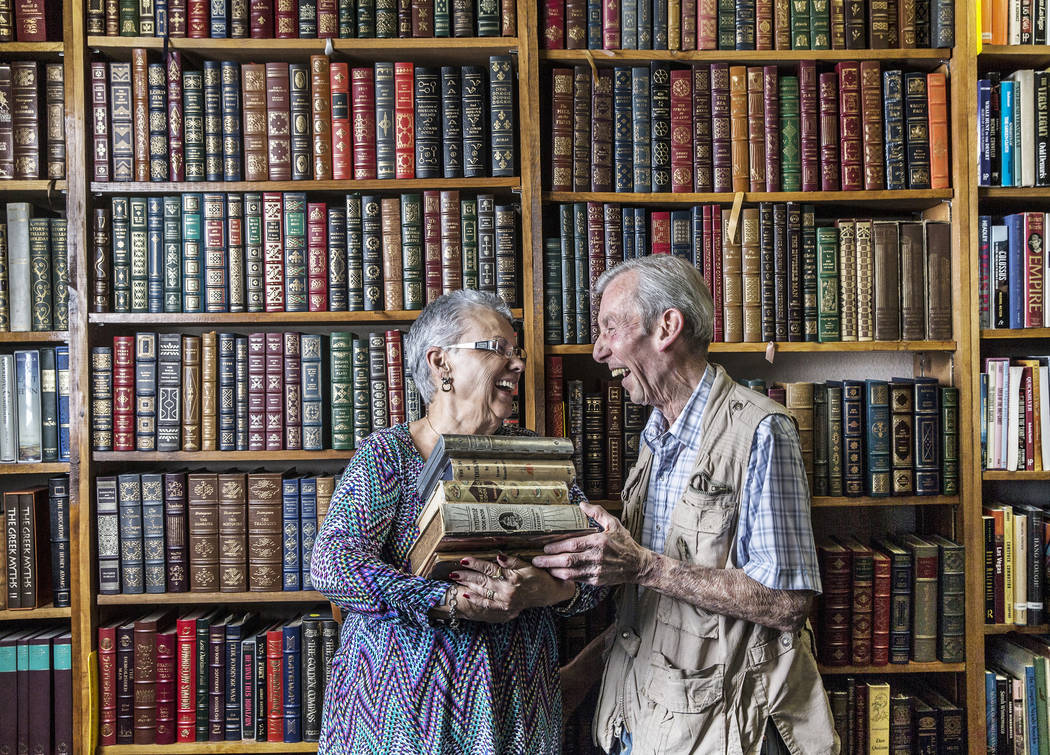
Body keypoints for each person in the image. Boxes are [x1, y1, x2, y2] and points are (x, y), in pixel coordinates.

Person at [534, 255, 838, 755]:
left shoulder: (762, 431)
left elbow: (786, 603)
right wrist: (576, 677)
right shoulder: (656, 436)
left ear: (666, 327)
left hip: (730, 729)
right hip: (647, 718)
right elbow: (654, 607)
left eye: (611, 327)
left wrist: (644, 566)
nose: (599, 349)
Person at [310, 289, 598, 754]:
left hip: (515, 718)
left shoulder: (534, 456)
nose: (519, 365)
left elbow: (597, 566)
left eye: (517, 353)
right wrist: (451, 599)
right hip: (400, 719)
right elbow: (333, 565)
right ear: (441, 362)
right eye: (498, 349)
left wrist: (550, 590)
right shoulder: (389, 456)